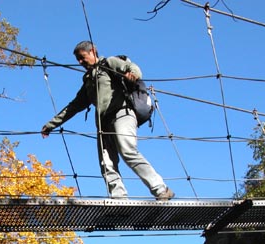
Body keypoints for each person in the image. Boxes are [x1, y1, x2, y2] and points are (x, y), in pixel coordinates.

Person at [41, 41, 174, 200]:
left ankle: (161, 189)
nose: (80, 62)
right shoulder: (88, 80)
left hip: (122, 113)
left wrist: (133, 75)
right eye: (78, 59)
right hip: (103, 122)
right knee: (107, 163)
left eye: (82, 58)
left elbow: (134, 69)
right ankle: (119, 198)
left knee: (128, 151)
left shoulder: (109, 63)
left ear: (93, 52)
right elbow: (74, 106)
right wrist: (51, 125)